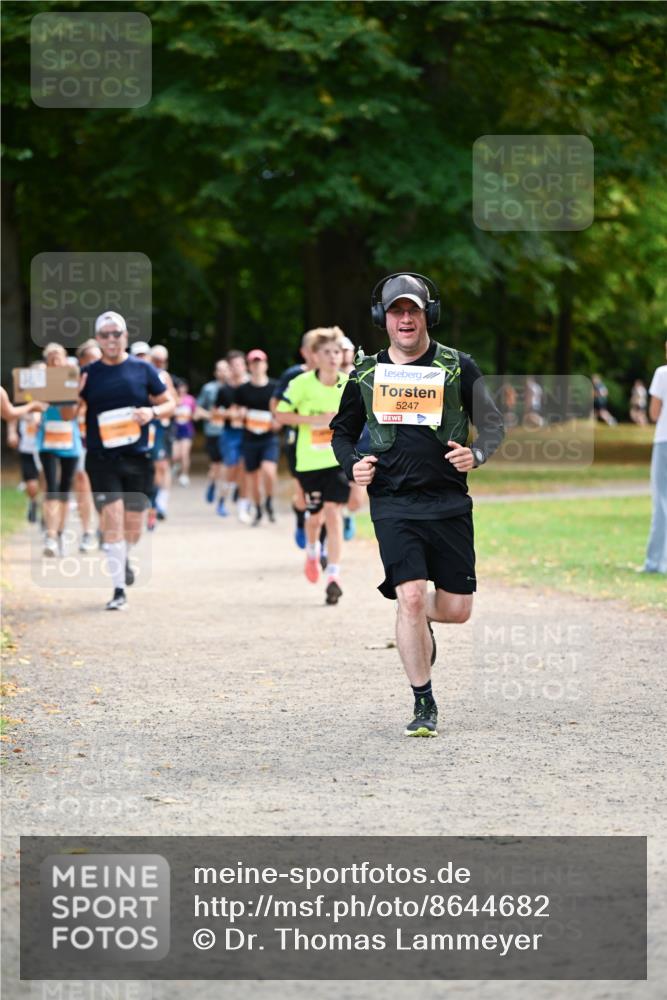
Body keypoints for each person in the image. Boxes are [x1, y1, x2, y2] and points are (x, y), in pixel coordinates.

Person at [331, 273, 504, 737]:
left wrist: (477, 453)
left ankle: (419, 616)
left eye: (413, 310)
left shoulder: (457, 366)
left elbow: (493, 424)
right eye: (396, 311)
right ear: (382, 318)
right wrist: (353, 465)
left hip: (448, 502)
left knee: (457, 609)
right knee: (408, 595)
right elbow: (342, 432)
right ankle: (423, 701)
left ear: (429, 315)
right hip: (393, 501)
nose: (405, 319)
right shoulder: (366, 373)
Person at [79, 312, 175, 610]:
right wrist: (72, 395)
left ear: (125, 336)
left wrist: (152, 412)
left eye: (116, 333)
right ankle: (119, 590)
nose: (111, 339)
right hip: (101, 458)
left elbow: (169, 402)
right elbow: (70, 413)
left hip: (137, 457)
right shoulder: (88, 373)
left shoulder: (143, 369)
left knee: (133, 527)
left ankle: (124, 554)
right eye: (105, 334)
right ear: (98, 339)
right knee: (113, 518)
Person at [276, 328, 350, 605]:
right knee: (315, 517)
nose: (333, 357)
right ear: (315, 356)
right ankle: (311, 550)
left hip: (337, 460)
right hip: (309, 462)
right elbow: (280, 414)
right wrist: (314, 420)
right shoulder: (301, 384)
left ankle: (333, 576)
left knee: (333, 513)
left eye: (337, 352)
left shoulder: (349, 384)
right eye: (327, 352)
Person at [271, 330, 318, 548]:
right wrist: (281, 419)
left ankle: (322, 539)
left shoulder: (333, 377)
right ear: (304, 352)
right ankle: (300, 520)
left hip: (326, 442)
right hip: (298, 437)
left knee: (326, 496)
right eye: (313, 350)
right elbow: (276, 402)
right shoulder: (293, 375)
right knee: (302, 492)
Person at [36, 343, 83, 557]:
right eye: (51, 357)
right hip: (47, 441)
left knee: (65, 489)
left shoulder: (73, 379)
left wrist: (68, 389)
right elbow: (30, 402)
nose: (55, 360)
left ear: (65, 359)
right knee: (52, 487)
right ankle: (51, 535)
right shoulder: (40, 379)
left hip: (69, 442)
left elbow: (69, 415)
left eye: (59, 356)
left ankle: (61, 533)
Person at [234, 349, 280, 525]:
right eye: (253, 363)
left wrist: (278, 422)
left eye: (260, 362)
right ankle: (258, 509)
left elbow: (282, 411)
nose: (257, 366)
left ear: (265, 365)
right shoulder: (243, 389)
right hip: (250, 438)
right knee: (253, 477)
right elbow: (237, 411)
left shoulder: (275, 387)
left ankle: (269, 500)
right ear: (249, 366)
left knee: (269, 471)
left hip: (269, 438)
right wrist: (240, 414)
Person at [74, 339, 103, 551]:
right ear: (81, 362)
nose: (95, 363)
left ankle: (103, 527)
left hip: (105, 440)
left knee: (103, 485)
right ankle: (87, 531)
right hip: (81, 438)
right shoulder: (73, 382)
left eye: (98, 359)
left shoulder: (109, 378)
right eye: (91, 359)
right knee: (82, 481)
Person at [216, 349, 251, 521]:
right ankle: (223, 497)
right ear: (229, 368)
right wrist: (230, 414)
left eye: (240, 364)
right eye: (234, 365)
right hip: (231, 433)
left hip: (249, 432)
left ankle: (243, 506)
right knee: (232, 468)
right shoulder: (224, 390)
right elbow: (215, 412)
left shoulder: (252, 386)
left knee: (245, 469)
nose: (238, 368)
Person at [642, 342, 667, 574]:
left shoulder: (662, 373)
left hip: (664, 440)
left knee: (661, 501)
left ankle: (655, 562)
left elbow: (653, 413)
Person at [148, 344, 177, 520]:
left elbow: (174, 402)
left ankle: (159, 502)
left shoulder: (165, 376)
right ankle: (152, 501)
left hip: (163, 427)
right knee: (153, 466)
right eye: (156, 360)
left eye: (163, 360)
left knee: (163, 465)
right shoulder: (144, 374)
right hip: (149, 424)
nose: (159, 363)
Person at [197, 359, 230, 504]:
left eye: (225, 369)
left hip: (229, 432)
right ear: (215, 372)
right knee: (216, 465)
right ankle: (212, 483)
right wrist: (211, 415)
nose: (223, 372)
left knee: (227, 466)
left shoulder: (235, 388)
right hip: (213, 432)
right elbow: (197, 410)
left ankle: (222, 499)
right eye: (220, 369)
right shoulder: (208, 389)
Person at [172, 378, 197, 486]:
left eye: (183, 387)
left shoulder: (190, 399)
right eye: (179, 387)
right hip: (175, 430)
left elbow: (195, 413)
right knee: (175, 455)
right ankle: (177, 465)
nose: (181, 389)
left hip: (187, 430)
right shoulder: (173, 399)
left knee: (184, 454)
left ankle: (184, 475)